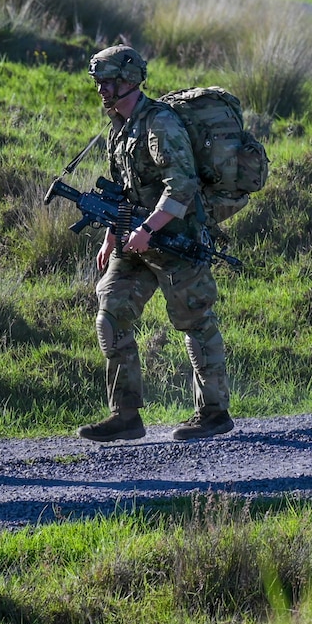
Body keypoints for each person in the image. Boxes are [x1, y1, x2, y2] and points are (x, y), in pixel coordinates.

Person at [79, 45, 236, 443]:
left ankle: (214, 412)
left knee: (195, 323)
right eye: (99, 81)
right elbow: (123, 191)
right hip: (135, 240)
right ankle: (126, 415)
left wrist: (148, 229)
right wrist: (113, 235)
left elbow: (180, 186)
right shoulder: (119, 126)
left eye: (107, 81)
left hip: (177, 239)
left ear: (128, 80)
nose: (101, 89)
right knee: (110, 316)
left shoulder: (160, 125)